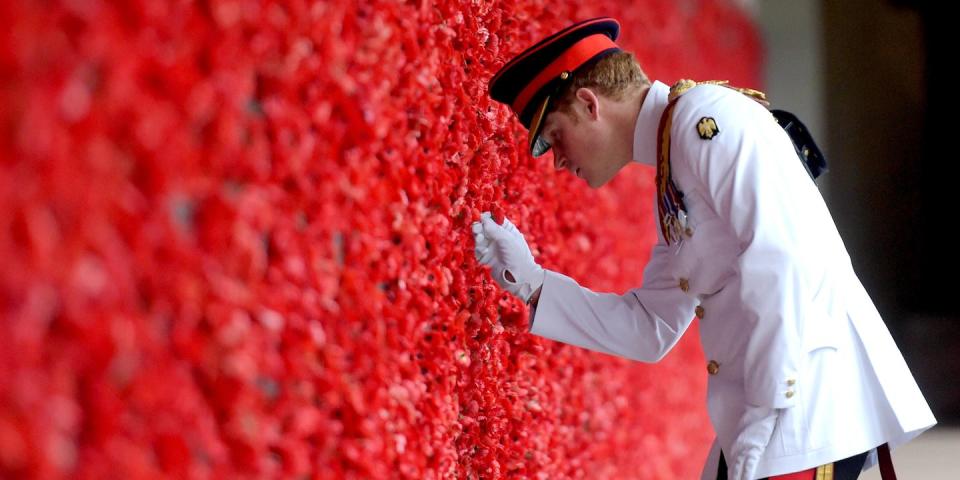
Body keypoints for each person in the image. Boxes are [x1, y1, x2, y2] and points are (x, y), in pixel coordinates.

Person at [471, 16, 936, 480]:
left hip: (800, 418)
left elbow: (783, 260)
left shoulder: (703, 120)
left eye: (554, 136)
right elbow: (650, 327)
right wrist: (532, 283)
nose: (558, 161)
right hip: (772, 421)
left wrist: (766, 410)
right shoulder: (678, 150)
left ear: (590, 104)